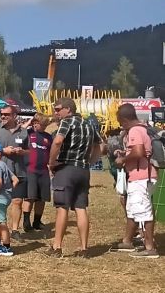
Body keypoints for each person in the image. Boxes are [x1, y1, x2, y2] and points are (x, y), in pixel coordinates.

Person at [47, 97, 102, 258]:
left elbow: (57, 142)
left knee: (62, 207)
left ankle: (57, 246)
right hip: (83, 170)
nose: (55, 113)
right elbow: (100, 146)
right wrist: (90, 161)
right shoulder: (88, 124)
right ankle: (84, 248)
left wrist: (51, 162)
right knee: (81, 208)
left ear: (68, 109)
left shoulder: (67, 122)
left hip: (66, 168)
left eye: (58, 109)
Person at [110, 103, 158, 258]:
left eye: (120, 122)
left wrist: (123, 159)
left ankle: (150, 247)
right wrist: (125, 152)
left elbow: (138, 152)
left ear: (124, 119)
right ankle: (127, 241)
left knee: (143, 212)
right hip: (143, 175)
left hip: (141, 176)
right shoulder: (143, 128)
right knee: (133, 210)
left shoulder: (135, 130)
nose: (120, 125)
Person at [0, 105, 30, 235]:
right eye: (2, 114)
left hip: (19, 171)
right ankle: (0, 230)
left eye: (6, 114)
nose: (3, 116)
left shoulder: (24, 131)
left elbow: (30, 151)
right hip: (2, 173)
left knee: (17, 201)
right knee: (0, 203)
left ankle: (15, 230)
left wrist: (23, 152)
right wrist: (3, 151)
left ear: (14, 116)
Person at [22, 115, 53, 231]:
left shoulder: (48, 137)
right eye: (42, 124)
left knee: (42, 198)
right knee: (30, 197)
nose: (44, 127)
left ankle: (37, 221)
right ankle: (26, 221)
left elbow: (52, 152)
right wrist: (29, 122)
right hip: (31, 170)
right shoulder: (28, 133)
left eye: (46, 125)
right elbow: (19, 132)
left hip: (43, 171)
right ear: (35, 123)